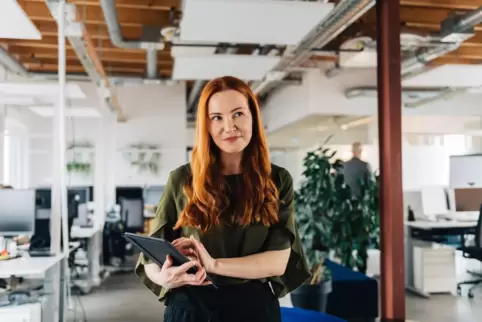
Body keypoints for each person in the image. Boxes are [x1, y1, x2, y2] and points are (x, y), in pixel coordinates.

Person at [135, 76, 310, 322]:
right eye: (217, 117)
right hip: (191, 309)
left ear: (253, 117)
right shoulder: (182, 179)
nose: (229, 126)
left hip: (254, 310)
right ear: (206, 125)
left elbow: (278, 261)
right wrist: (163, 277)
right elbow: (151, 256)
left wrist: (214, 264)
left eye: (238, 114)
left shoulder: (278, 180)